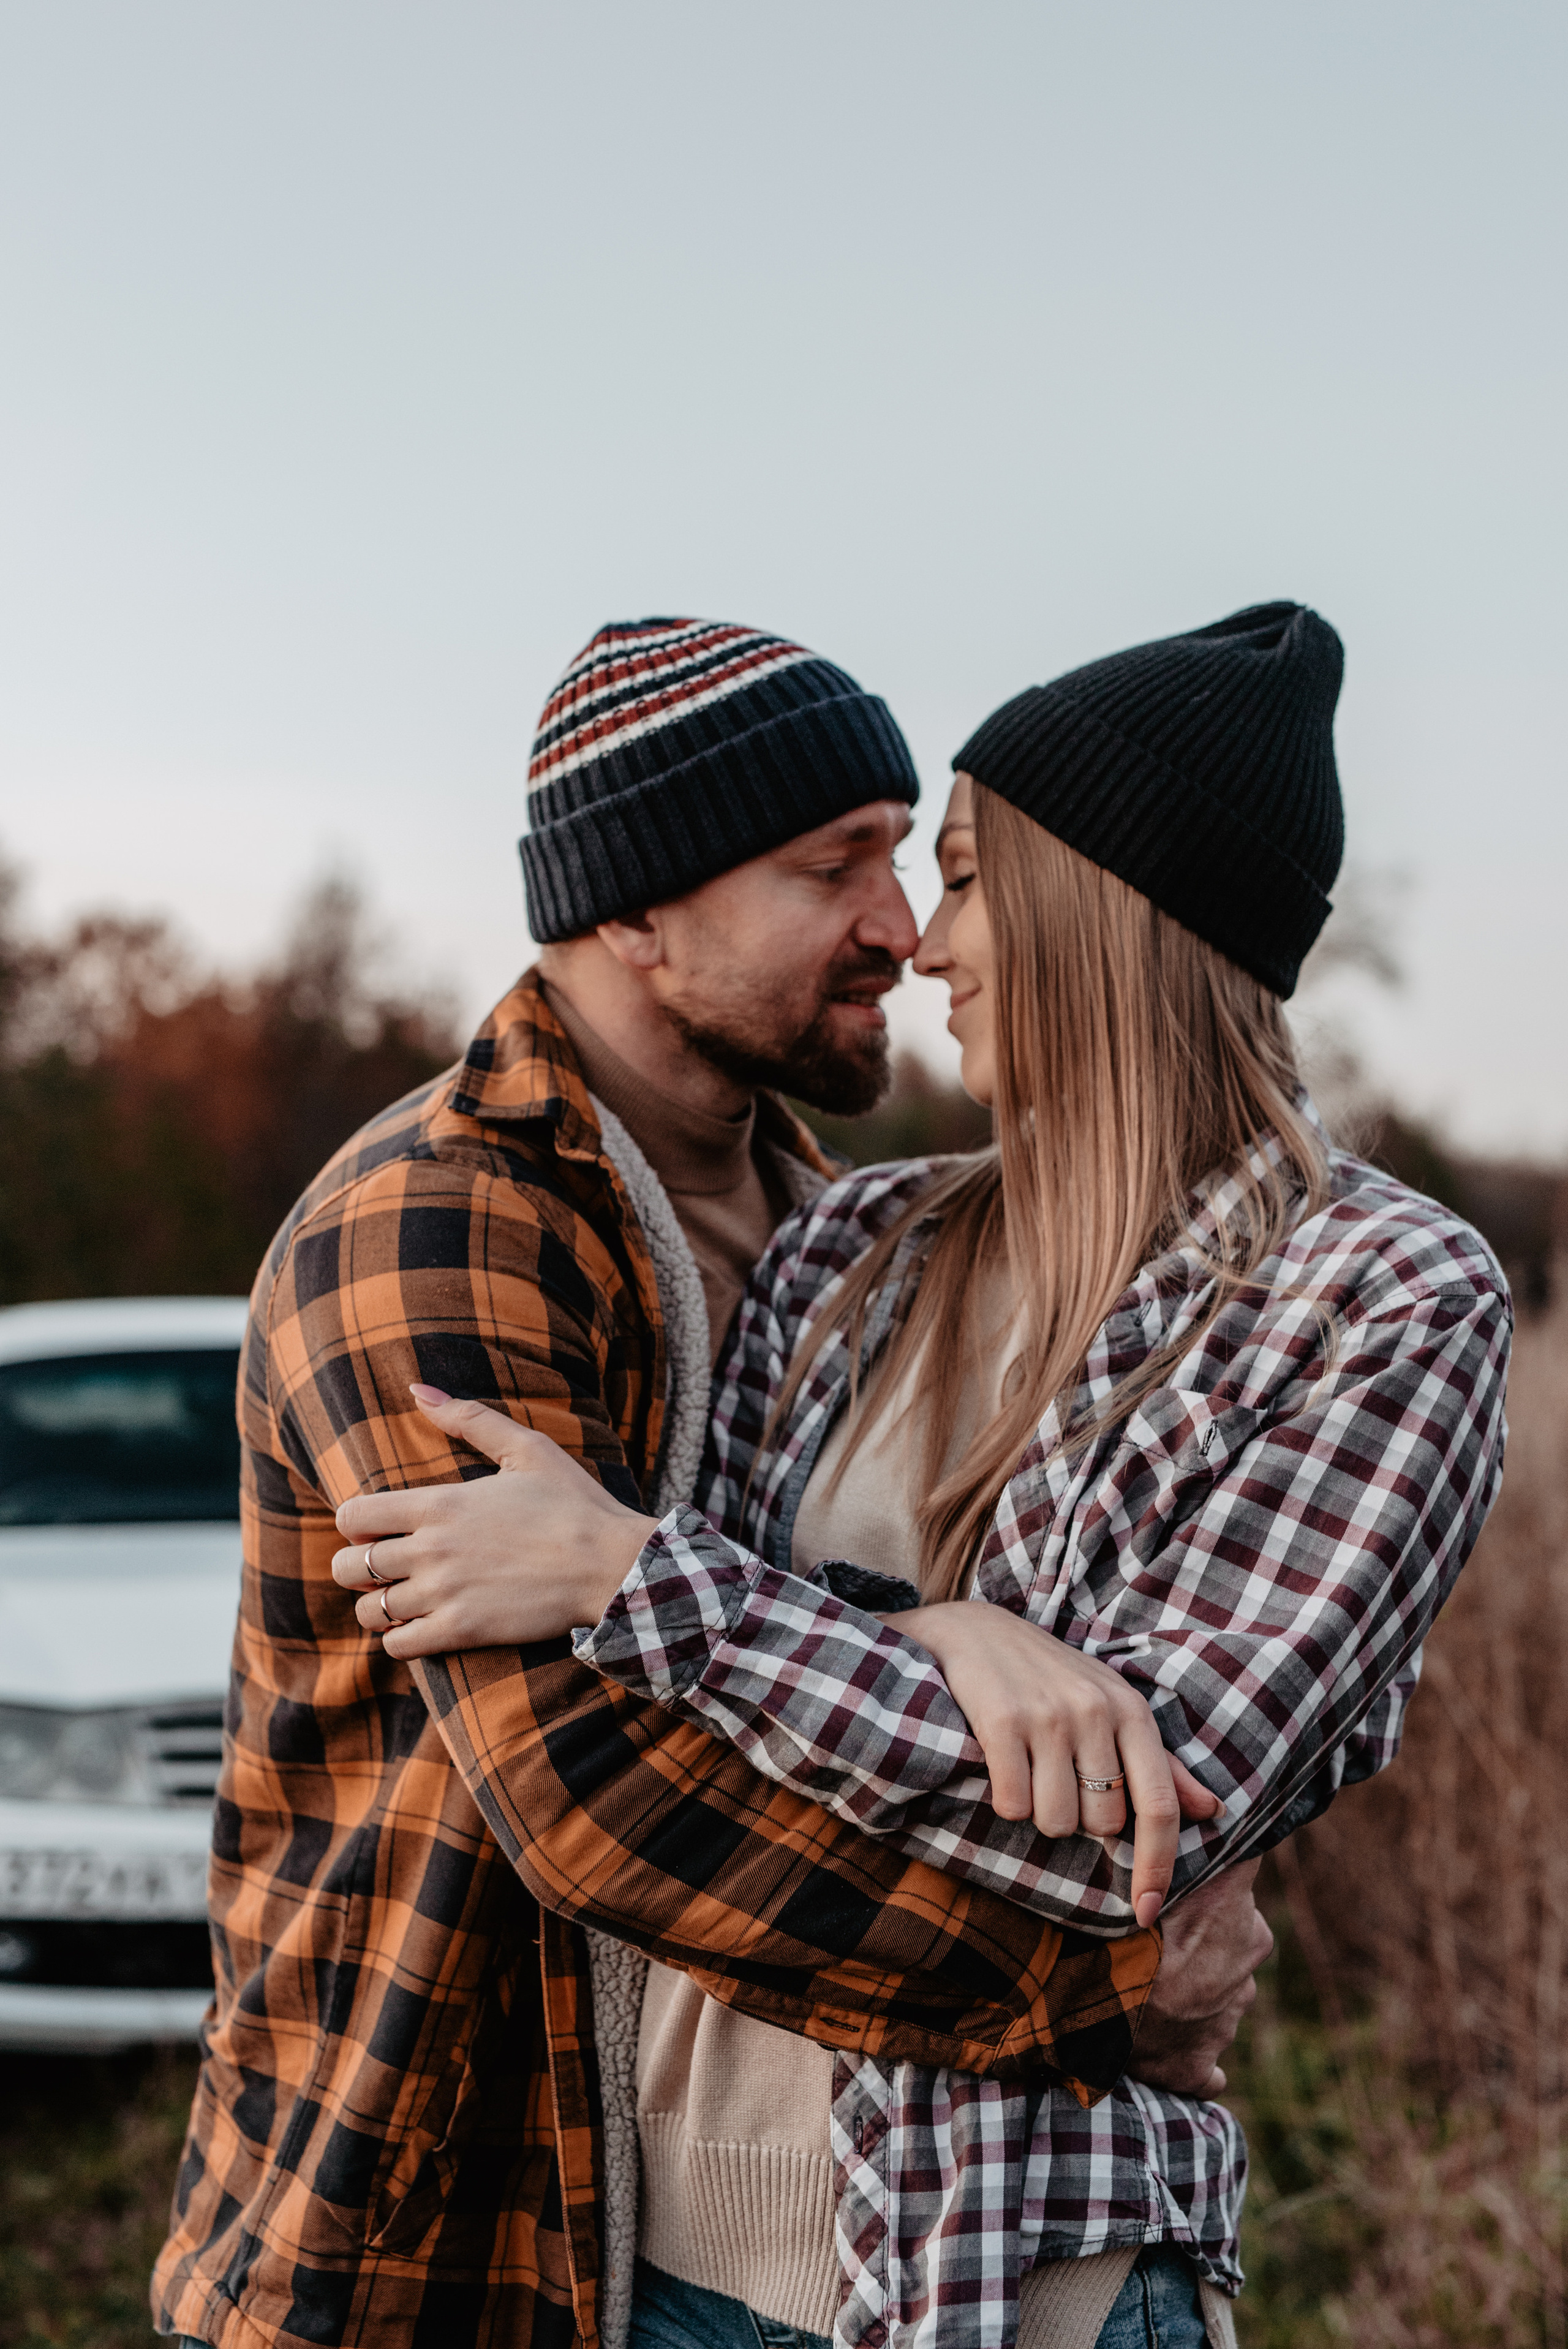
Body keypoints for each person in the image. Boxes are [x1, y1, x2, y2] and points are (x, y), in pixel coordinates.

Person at [333, 603, 1512, 2349]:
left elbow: (1134, 1819)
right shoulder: (857, 1248)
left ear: (1111, 911)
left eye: (962, 877)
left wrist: (643, 1581)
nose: (925, 940)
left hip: (1023, 2272)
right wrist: (952, 1633)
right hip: (662, 2263)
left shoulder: (1384, 1300)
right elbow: (662, 1734)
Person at [154, 616, 1262, 2349]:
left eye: (900, 860)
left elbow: (746, 1634)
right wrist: (1096, 1982)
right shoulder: (435, 1229)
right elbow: (596, 1780)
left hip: (722, 2238)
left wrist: (942, 1628)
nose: (903, 928)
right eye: (838, 866)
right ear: (637, 906)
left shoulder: (837, 1227)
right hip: (433, 2214)